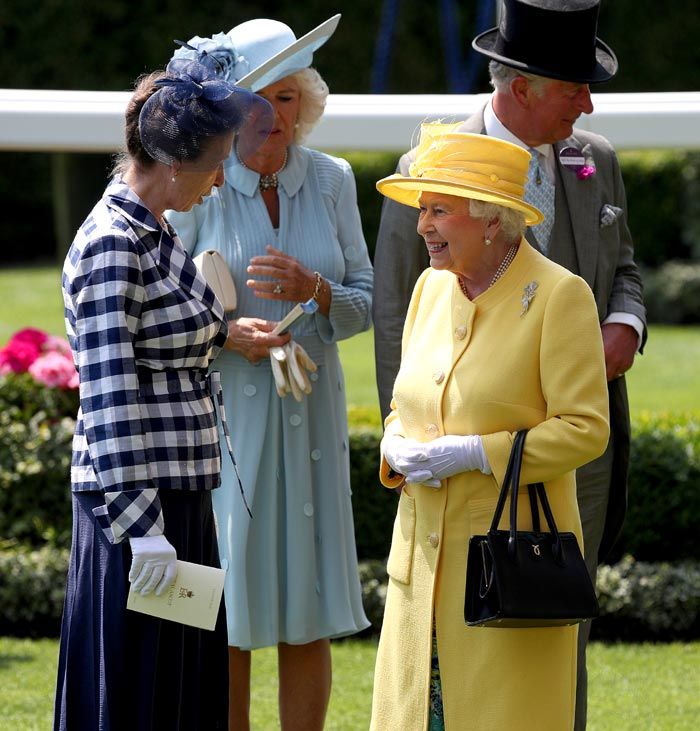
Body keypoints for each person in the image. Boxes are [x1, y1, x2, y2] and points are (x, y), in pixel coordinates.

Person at [371, 2, 646, 726]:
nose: (587, 103)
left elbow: (625, 270)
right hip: (451, 474)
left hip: (568, 455)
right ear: (522, 86)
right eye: (572, 86)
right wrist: (403, 441)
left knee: (553, 633)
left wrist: (623, 324)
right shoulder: (431, 172)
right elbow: (398, 316)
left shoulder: (595, 157)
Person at [53, 58, 274, 731]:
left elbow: (170, 342)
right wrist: (144, 532)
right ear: (175, 163)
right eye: (213, 165)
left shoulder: (157, 230)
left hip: (175, 496)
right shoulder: (113, 243)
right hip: (135, 510)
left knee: (177, 694)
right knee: (138, 696)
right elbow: (111, 396)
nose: (218, 183)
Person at [167, 15, 372, 731]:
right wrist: (227, 332)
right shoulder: (201, 184)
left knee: (306, 607)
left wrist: (317, 289)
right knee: (224, 606)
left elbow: (367, 305)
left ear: (305, 104)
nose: (274, 116)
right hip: (226, 425)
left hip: (311, 416)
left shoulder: (334, 179)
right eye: (258, 101)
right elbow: (162, 304)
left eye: (288, 98)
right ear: (229, 112)